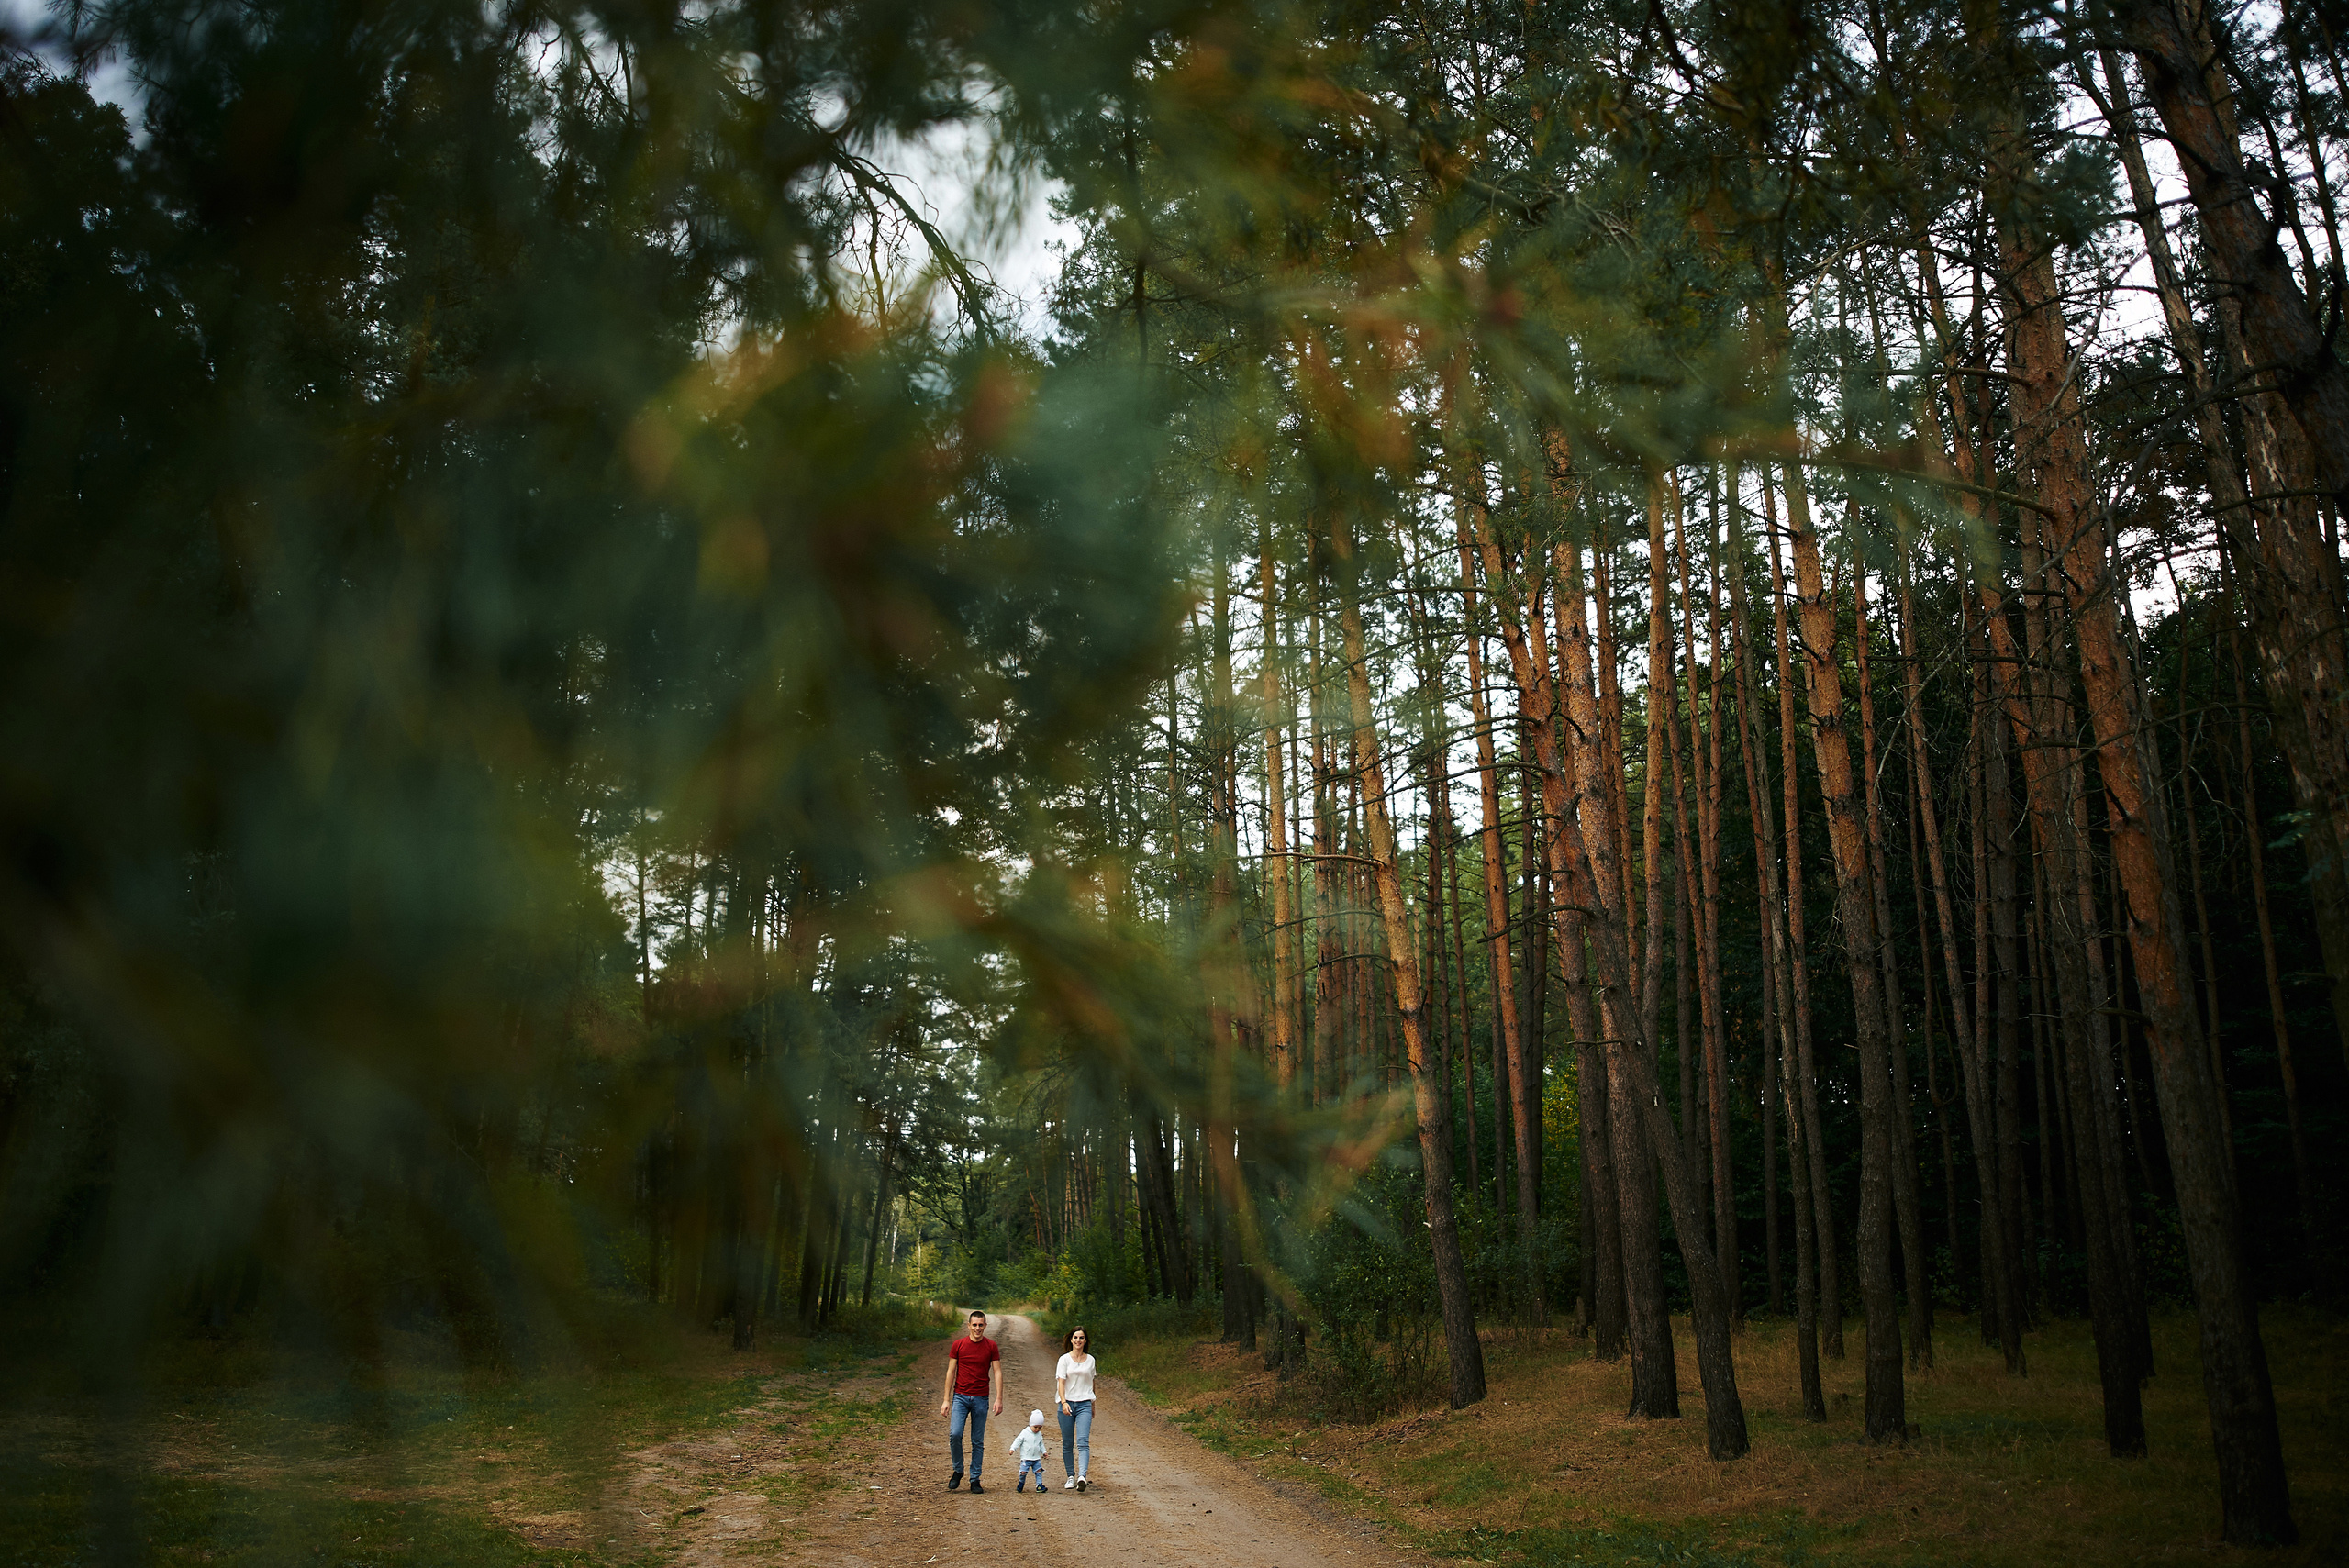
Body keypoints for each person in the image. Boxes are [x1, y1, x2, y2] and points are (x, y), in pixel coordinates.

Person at [940, 1308, 1002, 1493]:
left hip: (981, 1398)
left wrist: (999, 1397)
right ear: (968, 1326)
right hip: (960, 1397)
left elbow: (997, 1371)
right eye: (974, 1325)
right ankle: (958, 1470)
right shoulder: (958, 1345)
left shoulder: (991, 1346)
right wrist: (946, 1400)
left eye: (980, 1325)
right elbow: (951, 1372)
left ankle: (975, 1479)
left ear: (985, 1326)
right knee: (955, 1434)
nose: (977, 1328)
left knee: (977, 1440)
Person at [1054, 1323, 1097, 1491]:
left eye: (1081, 1337)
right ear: (1071, 1340)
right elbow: (1061, 1383)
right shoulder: (1064, 1360)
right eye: (1076, 1337)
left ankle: (1082, 1476)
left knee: (1083, 1441)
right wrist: (1064, 1402)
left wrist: (1093, 1404)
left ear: (1085, 1341)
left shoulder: (1091, 1360)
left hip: (1085, 1403)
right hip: (1067, 1403)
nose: (1078, 1340)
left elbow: (1092, 1383)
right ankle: (1070, 1475)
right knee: (1067, 1443)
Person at [1006, 1408, 1052, 1493]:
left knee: (1038, 1471)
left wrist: (1044, 1452)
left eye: (1039, 1427)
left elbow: (1041, 1444)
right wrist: (1013, 1448)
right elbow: (1018, 1440)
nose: (1037, 1429)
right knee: (1023, 1472)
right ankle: (1021, 1483)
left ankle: (1039, 1485)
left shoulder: (1039, 1434)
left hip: (1036, 1458)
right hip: (1026, 1458)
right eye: (1035, 1427)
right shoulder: (1025, 1432)